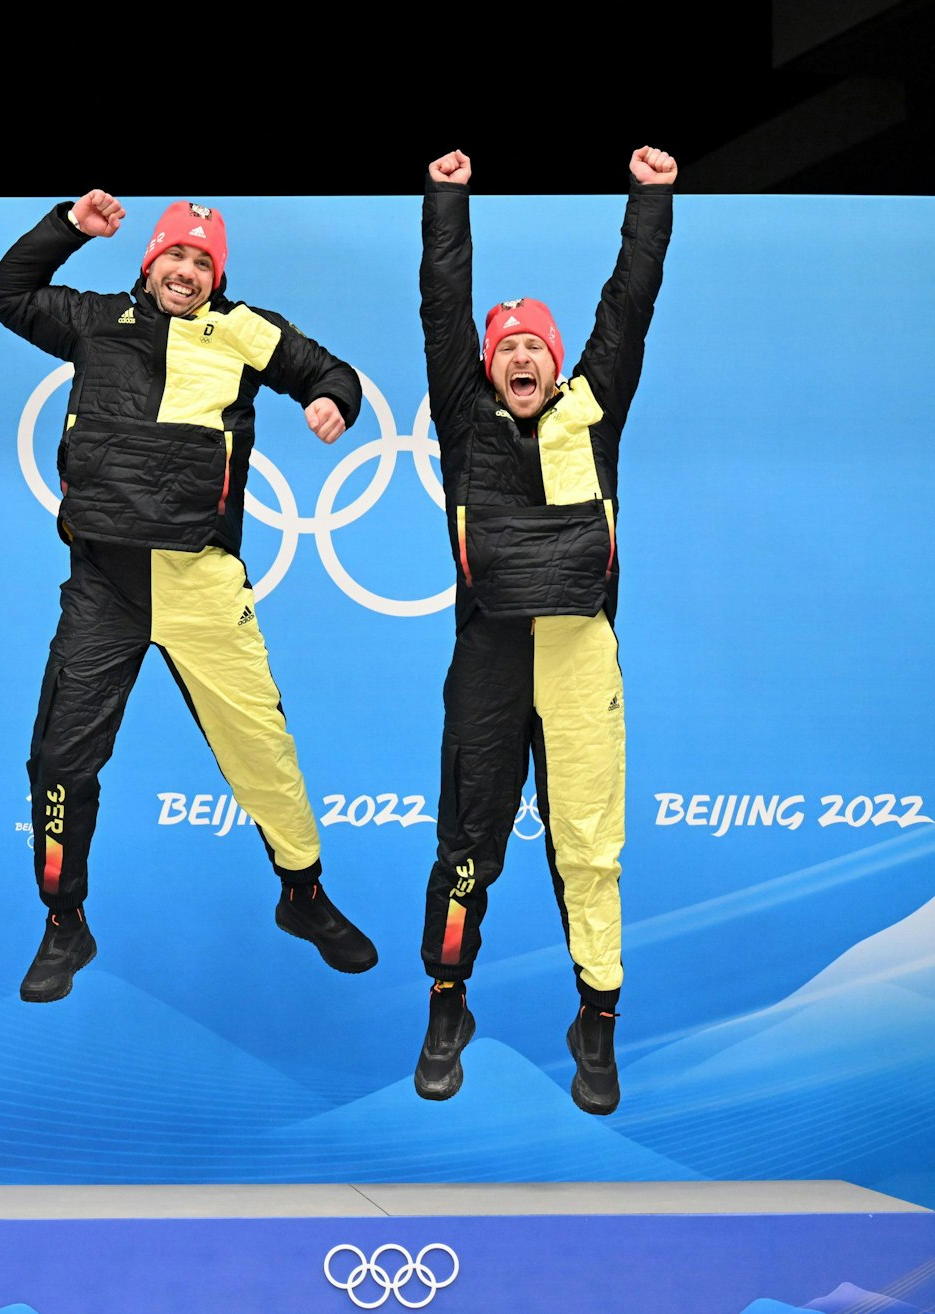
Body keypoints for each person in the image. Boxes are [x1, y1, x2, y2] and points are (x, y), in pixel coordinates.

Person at [0, 191, 379, 1003]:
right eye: (176, 255)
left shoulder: (246, 330)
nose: (188, 271)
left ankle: (303, 895)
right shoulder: (95, 320)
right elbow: (8, 293)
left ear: (217, 276)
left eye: (204, 262)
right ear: (150, 261)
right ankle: (64, 922)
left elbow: (334, 374)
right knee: (60, 760)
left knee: (264, 753)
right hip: (106, 584)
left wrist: (331, 400)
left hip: (202, 583)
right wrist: (67, 227)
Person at [413, 147, 676, 1114]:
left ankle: (597, 1022)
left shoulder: (594, 411)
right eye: (506, 348)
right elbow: (444, 303)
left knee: (590, 850)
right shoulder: (462, 418)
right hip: (489, 660)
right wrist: (447, 200)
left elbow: (628, 304)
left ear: (557, 364)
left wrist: (650, 199)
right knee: (466, 846)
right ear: (488, 367)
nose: (520, 357)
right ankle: (448, 1006)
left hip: (580, 661)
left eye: (536, 347)